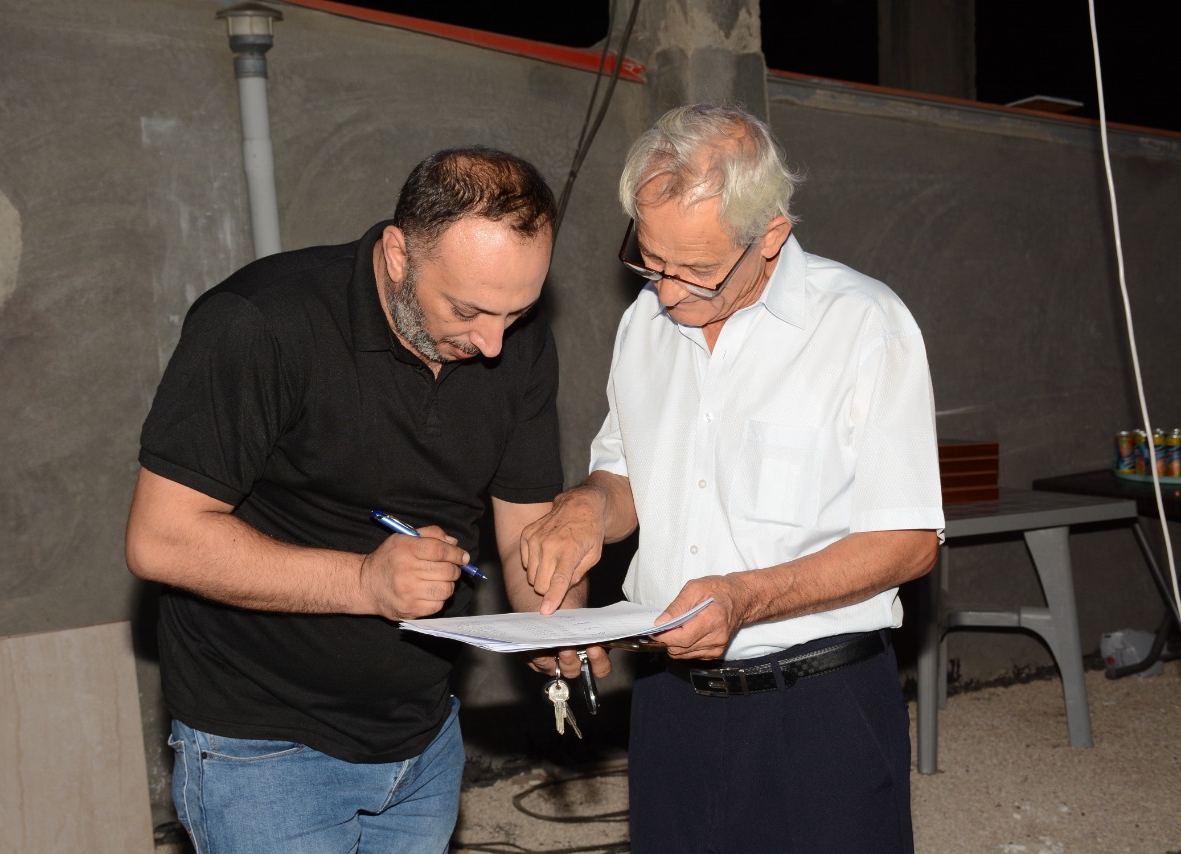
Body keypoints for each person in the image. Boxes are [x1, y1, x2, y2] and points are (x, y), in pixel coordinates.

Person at [125, 147, 583, 854]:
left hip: (424, 736)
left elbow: (527, 528)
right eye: (467, 310)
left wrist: (557, 628)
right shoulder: (261, 322)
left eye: (516, 312)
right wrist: (366, 582)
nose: (495, 343)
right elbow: (161, 539)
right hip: (264, 749)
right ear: (398, 255)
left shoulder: (512, 340)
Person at [519, 104, 945, 853]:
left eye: (699, 271)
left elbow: (908, 542)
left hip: (818, 709)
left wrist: (746, 597)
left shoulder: (862, 325)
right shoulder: (643, 325)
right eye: (650, 260)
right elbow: (626, 475)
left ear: (770, 236)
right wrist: (588, 506)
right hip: (668, 704)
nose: (669, 293)